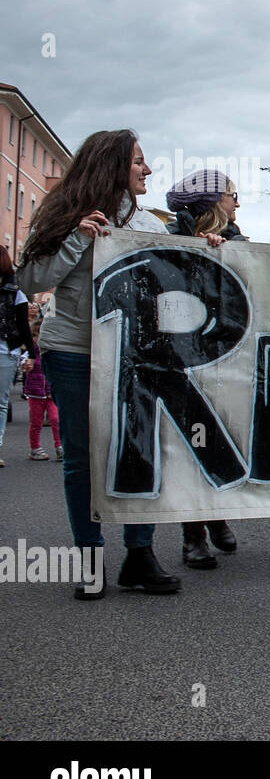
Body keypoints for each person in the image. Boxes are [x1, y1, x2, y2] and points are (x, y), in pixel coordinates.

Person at [16, 129, 181, 597]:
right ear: (111, 167)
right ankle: (89, 559)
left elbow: (175, 280)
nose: (146, 171)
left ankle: (140, 555)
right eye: (137, 162)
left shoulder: (149, 224)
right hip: (73, 351)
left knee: (139, 451)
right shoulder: (65, 218)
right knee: (83, 460)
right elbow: (31, 281)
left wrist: (207, 251)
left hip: (136, 354)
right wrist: (76, 238)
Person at [165, 169, 244, 567]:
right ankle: (192, 533)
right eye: (232, 195)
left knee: (220, 436)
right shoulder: (170, 238)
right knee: (188, 445)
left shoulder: (239, 241)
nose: (237, 203)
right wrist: (195, 253)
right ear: (213, 202)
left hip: (226, 355)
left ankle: (216, 514)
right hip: (182, 358)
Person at [1, 245, 37, 466]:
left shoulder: (16, 292)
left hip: (7, 351)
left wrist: (31, 355)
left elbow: (24, 326)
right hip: (9, 352)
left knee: (1, 402)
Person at [166, 168, 247, 242]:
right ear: (215, 201)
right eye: (234, 196)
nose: (237, 204)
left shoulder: (234, 236)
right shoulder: (167, 238)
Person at [21, 317, 62, 461]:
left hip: (51, 393)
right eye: (36, 335)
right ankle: (35, 448)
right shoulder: (31, 354)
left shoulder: (52, 353)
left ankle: (60, 446)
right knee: (36, 422)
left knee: (56, 419)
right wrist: (25, 365)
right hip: (35, 393)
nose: (39, 338)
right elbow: (23, 363)